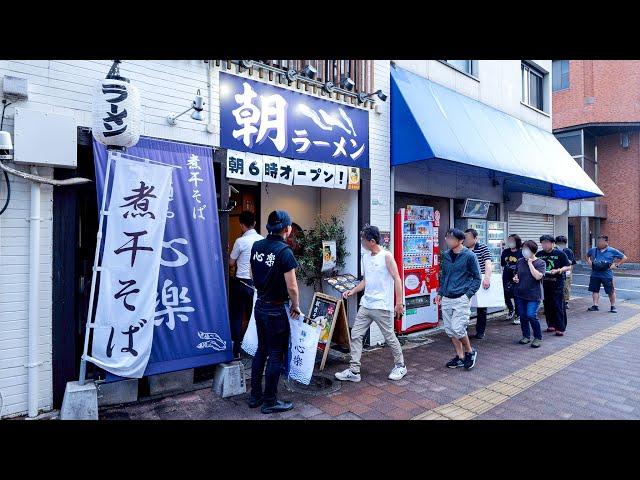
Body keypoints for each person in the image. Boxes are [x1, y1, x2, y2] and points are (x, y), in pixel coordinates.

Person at [335, 225, 407, 383]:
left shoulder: (386, 256)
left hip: (382, 305)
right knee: (356, 335)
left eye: (363, 239)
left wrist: (399, 303)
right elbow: (366, 280)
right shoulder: (365, 257)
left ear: (372, 241)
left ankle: (400, 365)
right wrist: (353, 291)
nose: (361, 241)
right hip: (366, 303)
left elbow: (397, 278)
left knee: (389, 337)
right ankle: (354, 370)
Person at [248, 210, 301, 414]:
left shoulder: (257, 246)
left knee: (261, 350)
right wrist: (295, 306)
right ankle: (270, 401)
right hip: (276, 309)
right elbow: (293, 287)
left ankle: (255, 397)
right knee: (276, 354)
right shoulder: (284, 252)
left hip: (260, 305)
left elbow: (252, 273)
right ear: (287, 229)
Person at [435, 228, 481, 370]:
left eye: (451, 238)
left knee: (458, 328)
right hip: (447, 297)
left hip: (461, 297)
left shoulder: (469, 256)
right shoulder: (446, 255)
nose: (448, 241)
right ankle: (460, 357)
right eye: (447, 238)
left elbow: (477, 278)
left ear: (460, 240)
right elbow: (444, 276)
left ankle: (470, 351)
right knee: (449, 330)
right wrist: (440, 292)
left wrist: (468, 295)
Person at [228, 211, 263, 359]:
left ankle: (236, 351)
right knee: (256, 317)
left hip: (241, 283)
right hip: (256, 284)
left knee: (236, 316)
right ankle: (257, 349)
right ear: (254, 223)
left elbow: (231, 263)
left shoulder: (240, 241)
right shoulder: (262, 240)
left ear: (242, 225)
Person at [512, 240, 546, 348]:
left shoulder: (540, 263)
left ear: (533, 251)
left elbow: (538, 276)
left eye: (526, 249)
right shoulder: (520, 261)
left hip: (534, 295)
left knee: (531, 315)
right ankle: (526, 336)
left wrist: (530, 263)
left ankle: (538, 337)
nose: (524, 251)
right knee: (523, 316)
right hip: (520, 293)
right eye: (523, 249)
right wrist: (515, 278)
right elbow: (516, 274)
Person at [537, 234, 571, 336]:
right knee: (547, 305)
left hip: (557, 283)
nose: (545, 245)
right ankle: (551, 324)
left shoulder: (560, 254)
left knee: (558, 305)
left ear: (552, 243)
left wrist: (559, 270)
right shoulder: (539, 254)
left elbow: (568, 267)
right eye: (543, 243)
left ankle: (560, 327)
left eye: (547, 243)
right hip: (544, 284)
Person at [463, 228, 492, 340]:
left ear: (475, 238)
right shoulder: (463, 249)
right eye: (465, 238)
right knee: (464, 306)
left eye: (469, 238)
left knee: (481, 308)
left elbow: (488, 263)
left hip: (479, 280)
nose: (466, 240)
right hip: (466, 281)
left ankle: (480, 331)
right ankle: (462, 330)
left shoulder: (483, 247)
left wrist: (487, 278)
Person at [586, 235, 627, 313]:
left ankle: (613, 306)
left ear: (606, 242)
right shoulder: (593, 250)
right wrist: (590, 263)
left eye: (600, 241)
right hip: (595, 274)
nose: (599, 243)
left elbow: (624, 257)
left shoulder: (612, 250)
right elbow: (587, 256)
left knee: (610, 291)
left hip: (607, 274)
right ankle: (595, 305)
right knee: (595, 290)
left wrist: (616, 265)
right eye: (598, 241)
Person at [500, 234, 523, 325]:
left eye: (512, 241)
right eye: (509, 240)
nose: (510, 242)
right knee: (505, 294)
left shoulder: (521, 252)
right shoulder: (505, 251)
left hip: (517, 276)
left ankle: (518, 314)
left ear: (517, 242)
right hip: (506, 275)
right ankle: (511, 309)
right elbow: (502, 263)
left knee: (517, 296)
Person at [555, 235, 576, 311]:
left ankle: (566, 302)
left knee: (566, 286)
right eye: (559, 243)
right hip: (556, 270)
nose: (560, 244)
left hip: (567, 271)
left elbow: (571, 262)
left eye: (562, 243)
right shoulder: (554, 250)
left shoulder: (568, 251)